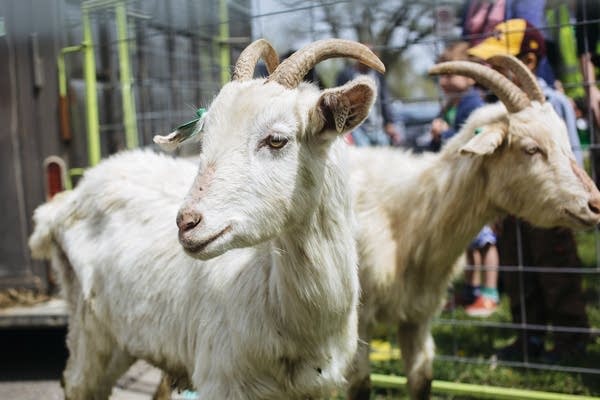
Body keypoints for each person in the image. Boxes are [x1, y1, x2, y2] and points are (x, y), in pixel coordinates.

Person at [467, 18, 590, 360]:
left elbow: (569, 159)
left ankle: (571, 340)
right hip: (515, 205)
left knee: (555, 269)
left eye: (497, 65)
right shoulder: (497, 111)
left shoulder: (552, 104)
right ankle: (528, 337)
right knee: (517, 268)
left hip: (552, 203)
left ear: (528, 63)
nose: (488, 74)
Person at [428, 41, 501, 317]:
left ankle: (489, 291)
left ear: (471, 77)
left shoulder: (474, 105)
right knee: (468, 241)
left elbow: (475, 138)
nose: (444, 81)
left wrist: (444, 135)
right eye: (441, 76)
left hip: (475, 185)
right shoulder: (449, 105)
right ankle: (470, 290)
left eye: (451, 74)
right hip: (457, 184)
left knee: (485, 240)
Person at [335, 45, 402, 146]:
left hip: (378, 127)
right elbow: (339, 103)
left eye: (371, 54)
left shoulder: (378, 75)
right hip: (357, 129)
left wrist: (389, 123)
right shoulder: (346, 75)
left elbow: (385, 100)